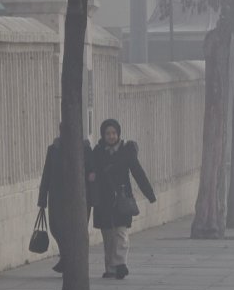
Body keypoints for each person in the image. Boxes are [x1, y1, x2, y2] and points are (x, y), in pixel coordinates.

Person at [91, 119, 156, 279]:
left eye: (114, 133)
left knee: (121, 232)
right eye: (108, 133)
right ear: (103, 135)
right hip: (103, 200)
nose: (111, 136)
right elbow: (91, 170)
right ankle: (110, 268)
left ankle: (120, 264)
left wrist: (149, 194)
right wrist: (92, 176)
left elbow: (138, 173)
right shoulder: (97, 152)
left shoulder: (127, 151)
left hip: (122, 197)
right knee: (107, 235)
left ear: (118, 134)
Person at [37, 124, 94, 273]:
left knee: (76, 231)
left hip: (79, 198)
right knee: (56, 228)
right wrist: (42, 199)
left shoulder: (85, 149)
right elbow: (46, 174)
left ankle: (68, 261)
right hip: (57, 197)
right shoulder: (53, 149)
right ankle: (66, 257)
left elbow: (92, 171)